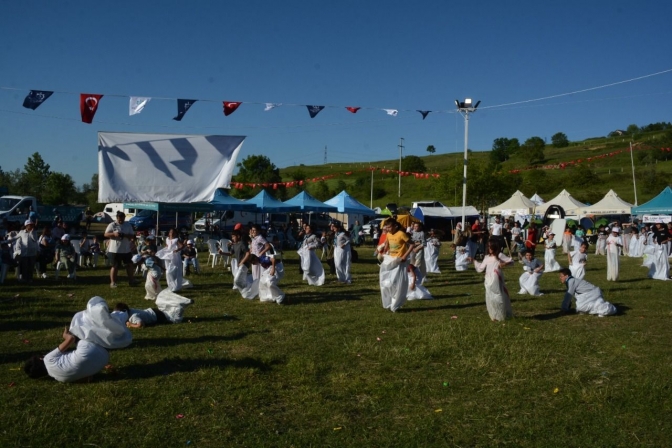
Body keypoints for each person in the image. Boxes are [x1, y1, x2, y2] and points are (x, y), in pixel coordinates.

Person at [24, 327, 110, 383]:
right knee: (76, 332)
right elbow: (71, 339)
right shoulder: (48, 358)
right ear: (40, 359)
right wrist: (65, 335)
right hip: (91, 349)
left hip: (104, 359)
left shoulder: (60, 379)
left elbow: (88, 378)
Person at [469, 240, 515, 322]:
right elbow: (481, 268)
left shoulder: (499, 255)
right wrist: (474, 261)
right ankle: (494, 316)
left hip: (496, 277)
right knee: (490, 297)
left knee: (498, 296)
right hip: (488, 279)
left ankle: (502, 315)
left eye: (491, 246)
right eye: (488, 246)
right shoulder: (486, 257)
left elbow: (511, 261)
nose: (489, 248)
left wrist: (504, 264)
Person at [378, 218, 414, 312]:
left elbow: (411, 244)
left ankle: (396, 303)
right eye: (387, 227)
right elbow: (387, 243)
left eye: (389, 227)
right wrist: (385, 252)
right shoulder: (389, 234)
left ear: (395, 226)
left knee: (398, 283)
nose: (388, 229)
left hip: (400, 261)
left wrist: (405, 256)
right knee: (387, 281)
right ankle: (390, 301)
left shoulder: (401, 234)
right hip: (391, 260)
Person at [104, 211, 136, 288]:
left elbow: (132, 235)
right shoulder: (112, 225)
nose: (121, 221)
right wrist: (114, 234)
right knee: (115, 266)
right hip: (115, 249)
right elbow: (105, 234)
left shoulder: (128, 225)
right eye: (119, 219)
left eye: (122, 219)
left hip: (126, 249)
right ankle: (113, 282)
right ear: (117, 218)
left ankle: (131, 280)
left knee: (129, 265)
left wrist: (124, 235)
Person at [156, 228, 191, 292]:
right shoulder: (167, 239)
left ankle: (176, 284)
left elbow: (182, 246)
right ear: (169, 233)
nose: (171, 233)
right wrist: (164, 250)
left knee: (174, 269)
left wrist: (177, 250)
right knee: (168, 270)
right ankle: (170, 284)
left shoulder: (176, 240)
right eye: (171, 232)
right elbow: (167, 246)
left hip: (175, 256)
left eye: (173, 232)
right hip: (168, 255)